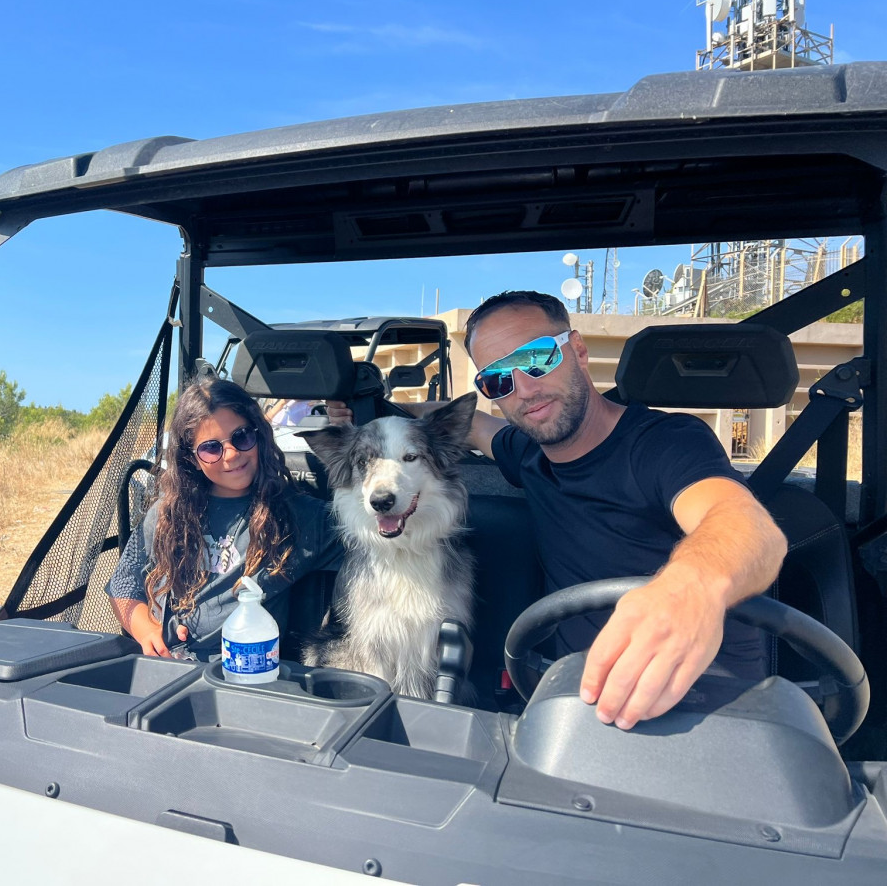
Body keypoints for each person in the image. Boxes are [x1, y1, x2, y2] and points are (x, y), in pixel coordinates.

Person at [329, 290, 787, 730]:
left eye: (537, 358)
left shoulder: (665, 444)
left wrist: (690, 589)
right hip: (578, 702)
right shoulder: (527, 450)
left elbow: (746, 527)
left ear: (579, 351)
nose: (525, 389)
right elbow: (460, 426)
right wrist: (371, 412)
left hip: (708, 705)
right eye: (498, 379)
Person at [106, 376, 341, 659]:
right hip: (165, 665)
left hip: (243, 677)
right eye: (211, 447)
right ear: (192, 458)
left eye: (242, 437)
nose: (230, 455)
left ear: (259, 435)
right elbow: (123, 583)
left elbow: (377, 531)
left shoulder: (296, 516)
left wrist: (347, 433)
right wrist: (145, 631)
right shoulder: (167, 513)